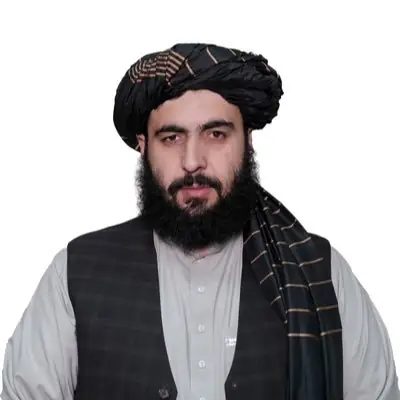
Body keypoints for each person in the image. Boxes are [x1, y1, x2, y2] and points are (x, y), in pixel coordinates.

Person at [1, 43, 399, 400]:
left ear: (247, 141)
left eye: (216, 134)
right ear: (143, 147)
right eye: (171, 138)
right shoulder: (76, 271)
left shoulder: (318, 272)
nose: (193, 161)